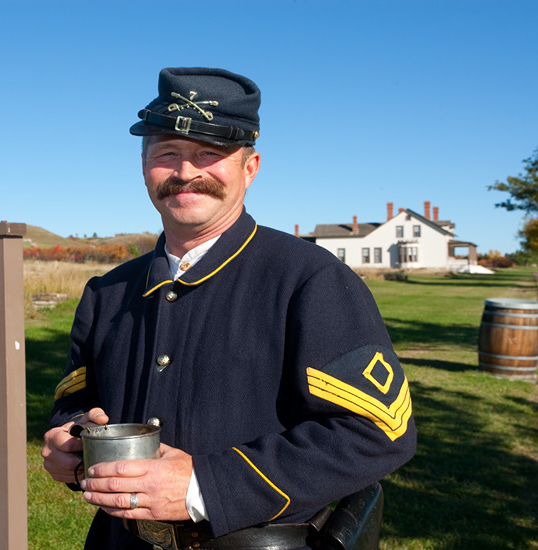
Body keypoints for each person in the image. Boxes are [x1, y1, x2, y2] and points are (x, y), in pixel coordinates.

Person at [42, 67, 416, 550]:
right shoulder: (108, 291)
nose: (185, 172)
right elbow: (75, 402)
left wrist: (204, 487)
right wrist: (70, 438)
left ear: (250, 167)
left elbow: (376, 432)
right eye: (167, 153)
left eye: (209, 154)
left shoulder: (310, 280)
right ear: (143, 165)